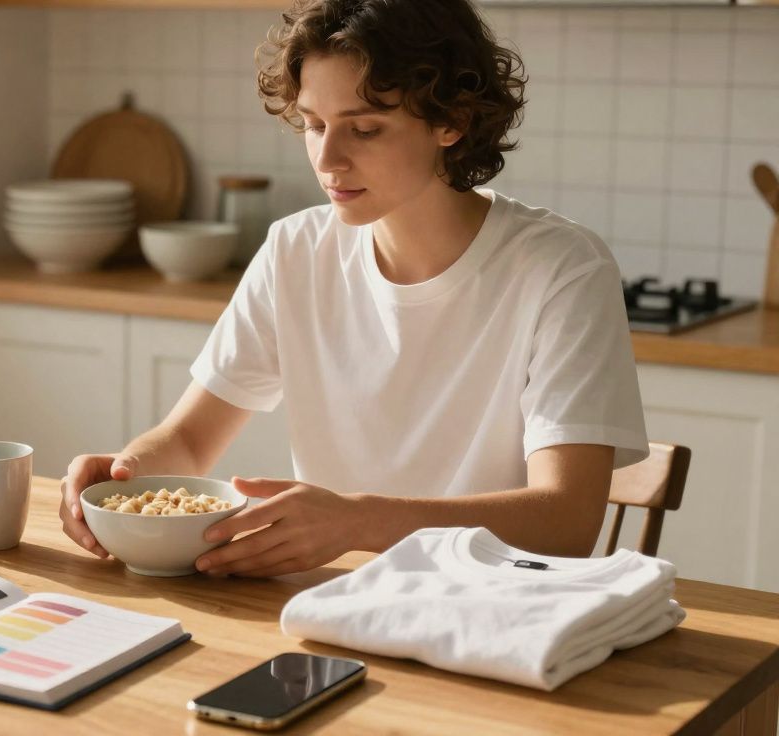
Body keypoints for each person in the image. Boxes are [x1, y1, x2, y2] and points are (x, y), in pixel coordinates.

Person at [59, 0, 648, 577]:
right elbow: (190, 439)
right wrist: (125, 473)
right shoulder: (295, 250)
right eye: (314, 125)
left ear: (454, 121)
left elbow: (567, 520)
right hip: (332, 603)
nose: (328, 159)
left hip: (498, 607)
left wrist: (359, 522)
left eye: (364, 129)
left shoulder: (561, 267)